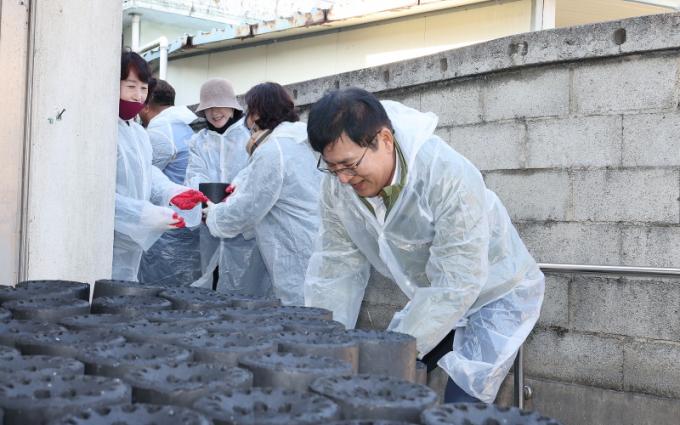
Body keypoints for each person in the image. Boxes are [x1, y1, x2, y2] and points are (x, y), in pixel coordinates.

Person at [303, 87, 544, 403]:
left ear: (385, 140)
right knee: (385, 384)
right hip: (433, 297)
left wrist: (390, 352)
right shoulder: (337, 189)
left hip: (494, 293)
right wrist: (325, 346)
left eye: (349, 165)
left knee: (461, 405)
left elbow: (458, 281)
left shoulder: (446, 175)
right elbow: (335, 268)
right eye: (332, 167)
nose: (343, 179)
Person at [203, 82, 322, 305]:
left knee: (299, 313)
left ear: (257, 113)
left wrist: (214, 215)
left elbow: (247, 209)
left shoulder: (273, 149)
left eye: (249, 111)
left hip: (295, 250)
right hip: (316, 241)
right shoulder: (302, 138)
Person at [114, 51, 207, 282]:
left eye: (143, 88)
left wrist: (171, 191)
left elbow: (146, 172)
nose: (138, 96)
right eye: (131, 86)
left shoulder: (138, 133)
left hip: (130, 240)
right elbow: (95, 194)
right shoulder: (101, 129)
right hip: (103, 239)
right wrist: (141, 214)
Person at [185, 78, 270, 295]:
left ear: (233, 107)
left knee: (248, 288)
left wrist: (235, 199)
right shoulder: (198, 141)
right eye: (209, 108)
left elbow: (257, 176)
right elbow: (194, 175)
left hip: (245, 230)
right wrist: (204, 200)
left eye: (220, 105)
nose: (215, 112)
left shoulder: (250, 136)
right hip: (209, 225)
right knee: (212, 285)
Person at [136, 79, 202, 286]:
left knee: (157, 289)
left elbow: (142, 178)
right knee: (183, 290)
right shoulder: (184, 127)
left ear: (146, 106)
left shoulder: (159, 131)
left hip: (167, 228)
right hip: (188, 222)